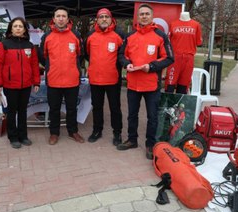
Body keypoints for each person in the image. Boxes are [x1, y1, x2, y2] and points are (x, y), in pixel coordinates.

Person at [117, 3, 174, 159]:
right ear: (138, 17)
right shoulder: (130, 36)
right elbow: (121, 55)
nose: (143, 16)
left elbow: (169, 58)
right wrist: (126, 63)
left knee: (152, 117)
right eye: (141, 14)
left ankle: (150, 144)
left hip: (151, 85)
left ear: (151, 16)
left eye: (146, 14)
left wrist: (152, 66)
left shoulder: (160, 36)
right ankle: (132, 140)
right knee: (132, 115)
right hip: (133, 84)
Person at [39, 6, 85, 145]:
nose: (60, 19)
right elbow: (42, 56)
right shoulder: (47, 36)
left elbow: (80, 55)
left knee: (72, 108)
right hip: (53, 80)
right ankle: (54, 133)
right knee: (54, 109)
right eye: (58, 16)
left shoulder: (75, 35)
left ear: (67, 19)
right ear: (53, 19)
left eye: (63, 16)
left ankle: (73, 131)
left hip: (72, 80)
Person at [0, 17, 41, 149]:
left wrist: (36, 82)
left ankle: (23, 136)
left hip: (25, 85)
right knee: (11, 112)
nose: (18, 28)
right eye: (15, 26)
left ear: (25, 29)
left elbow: (34, 65)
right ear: (11, 29)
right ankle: (13, 137)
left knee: (23, 111)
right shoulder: (4, 44)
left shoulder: (30, 46)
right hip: (9, 85)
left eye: (21, 26)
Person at [84, 8, 123, 146]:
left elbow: (122, 55)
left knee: (115, 107)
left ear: (111, 19)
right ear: (97, 19)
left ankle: (117, 132)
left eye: (107, 16)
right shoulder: (90, 35)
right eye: (101, 17)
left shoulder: (118, 35)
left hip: (113, 79)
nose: (104, 19)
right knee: (97, 106)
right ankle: (97, 130)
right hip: (95, 79)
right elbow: (87, 54)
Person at [165, 11, 202, 94]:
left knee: (184, 83)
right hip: (175, 57)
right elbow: (168, 41)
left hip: (189, 57)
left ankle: (180, 105)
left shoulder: (196, 25)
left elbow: (198, 42)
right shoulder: (173, 24)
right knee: (170, 82)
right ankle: (167, 104)